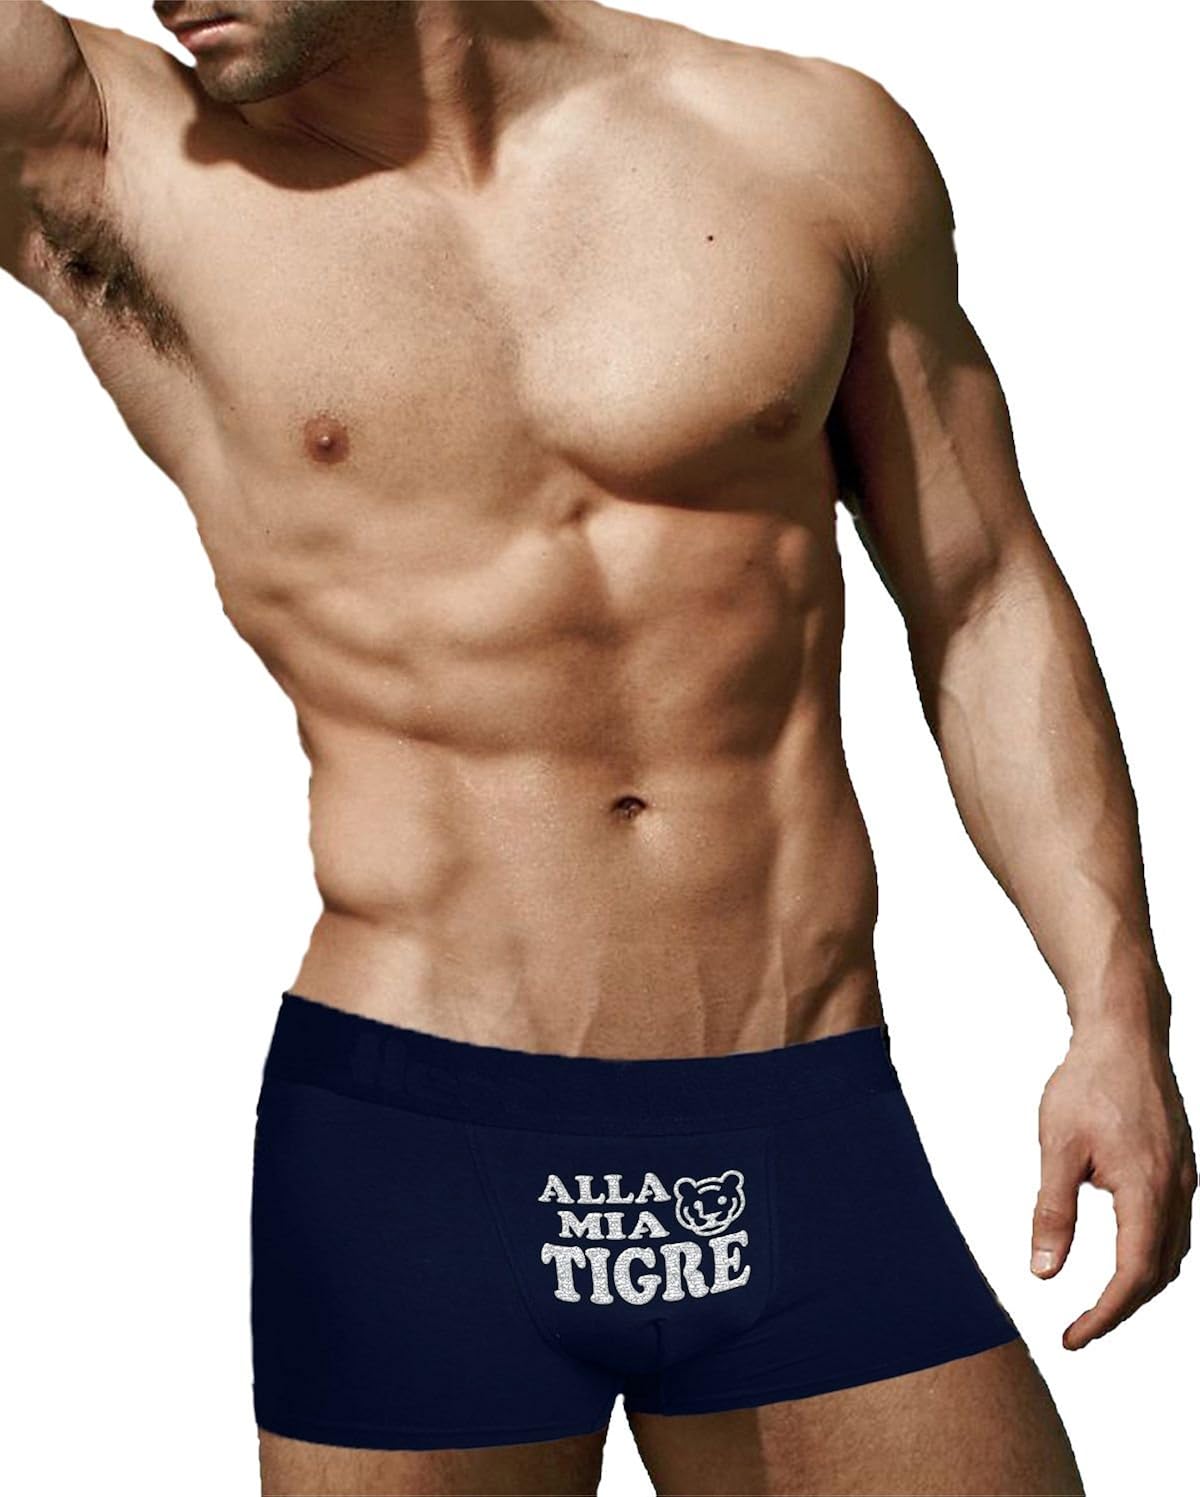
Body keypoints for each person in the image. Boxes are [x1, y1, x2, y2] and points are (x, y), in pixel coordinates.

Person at [1, 2, 1193, 1493]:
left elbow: (982, 589)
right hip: (419, 1139)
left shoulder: (807, 148)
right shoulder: (114, 152)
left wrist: (1114, 1009)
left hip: (795, 1104)